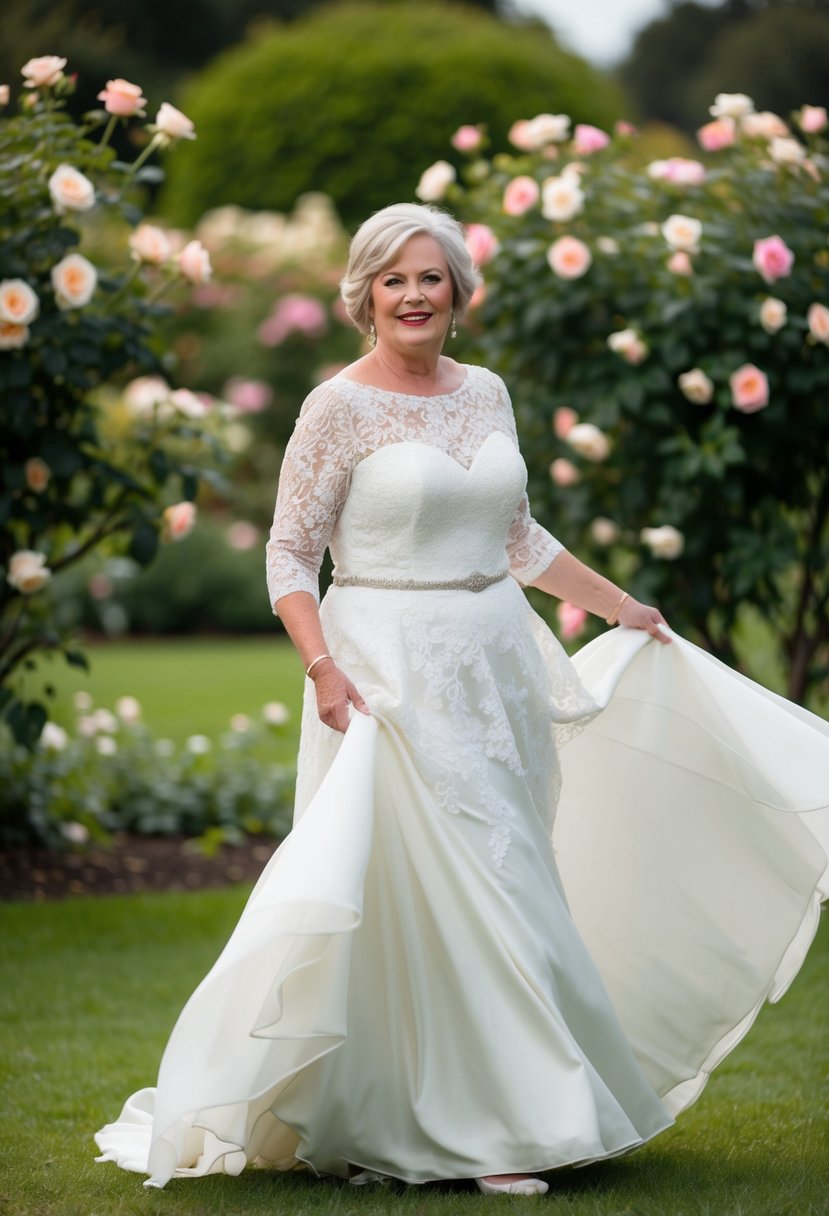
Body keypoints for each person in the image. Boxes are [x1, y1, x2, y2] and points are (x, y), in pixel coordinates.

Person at [95, 204, 829, 1196]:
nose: (411, 295)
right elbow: (287, 552)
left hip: (494, 666)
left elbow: (518, 536)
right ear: (363, 294)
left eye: (429, 277)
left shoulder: (486, 392)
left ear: (457, 294)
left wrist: (621, 606)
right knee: (441, 887)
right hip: (384, 671)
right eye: (392, 279)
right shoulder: (335, 407)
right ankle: (491, 1133)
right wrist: (320, 665)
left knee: (514, 872)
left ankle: (515, 1105)